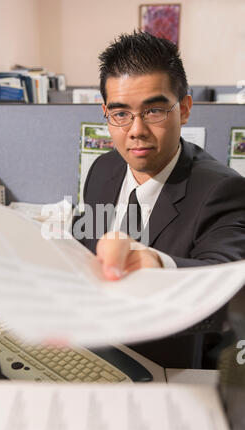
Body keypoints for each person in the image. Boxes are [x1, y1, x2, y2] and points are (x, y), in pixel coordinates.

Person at [72, 31, 245, 367]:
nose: (136, 130)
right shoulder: (102, 170)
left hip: (165, 367)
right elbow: (85, 243)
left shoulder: (222, 191)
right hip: (94, 349)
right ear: (106, 113)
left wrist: (159, 268)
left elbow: (229, 286)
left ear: (184, 109)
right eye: (120, 114)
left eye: (153, 111)